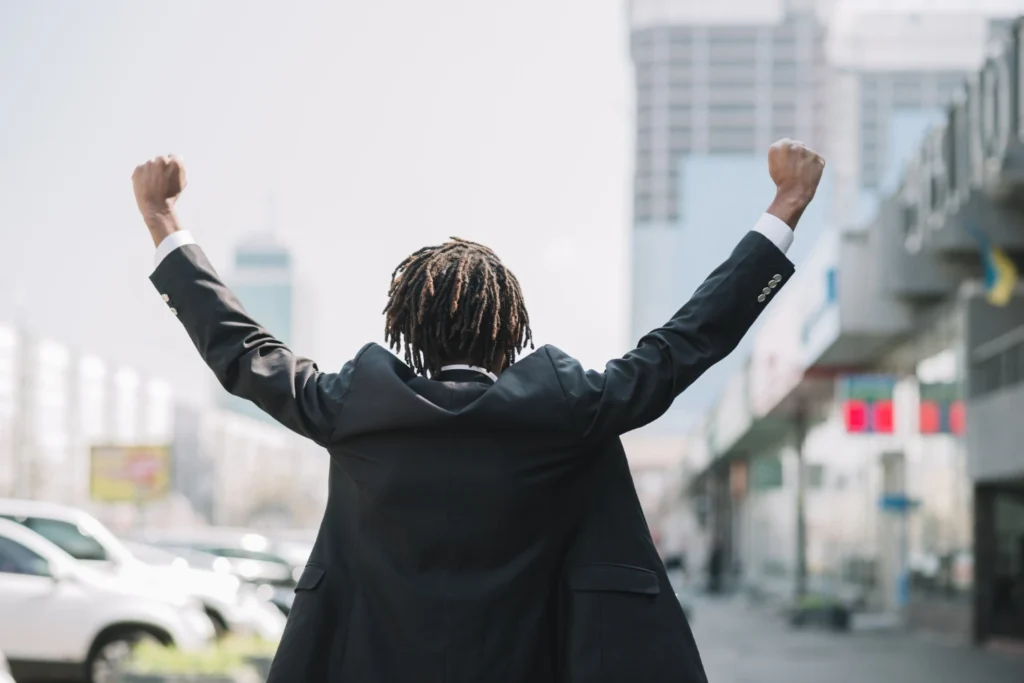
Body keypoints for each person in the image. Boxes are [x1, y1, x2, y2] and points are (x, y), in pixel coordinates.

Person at [131, 138, 824, 683]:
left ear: (406, 327)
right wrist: (785, 205)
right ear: (509, 330)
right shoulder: (565, 407)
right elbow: (682, 344)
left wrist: (163, 221)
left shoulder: (355, 407)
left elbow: (245, 350)